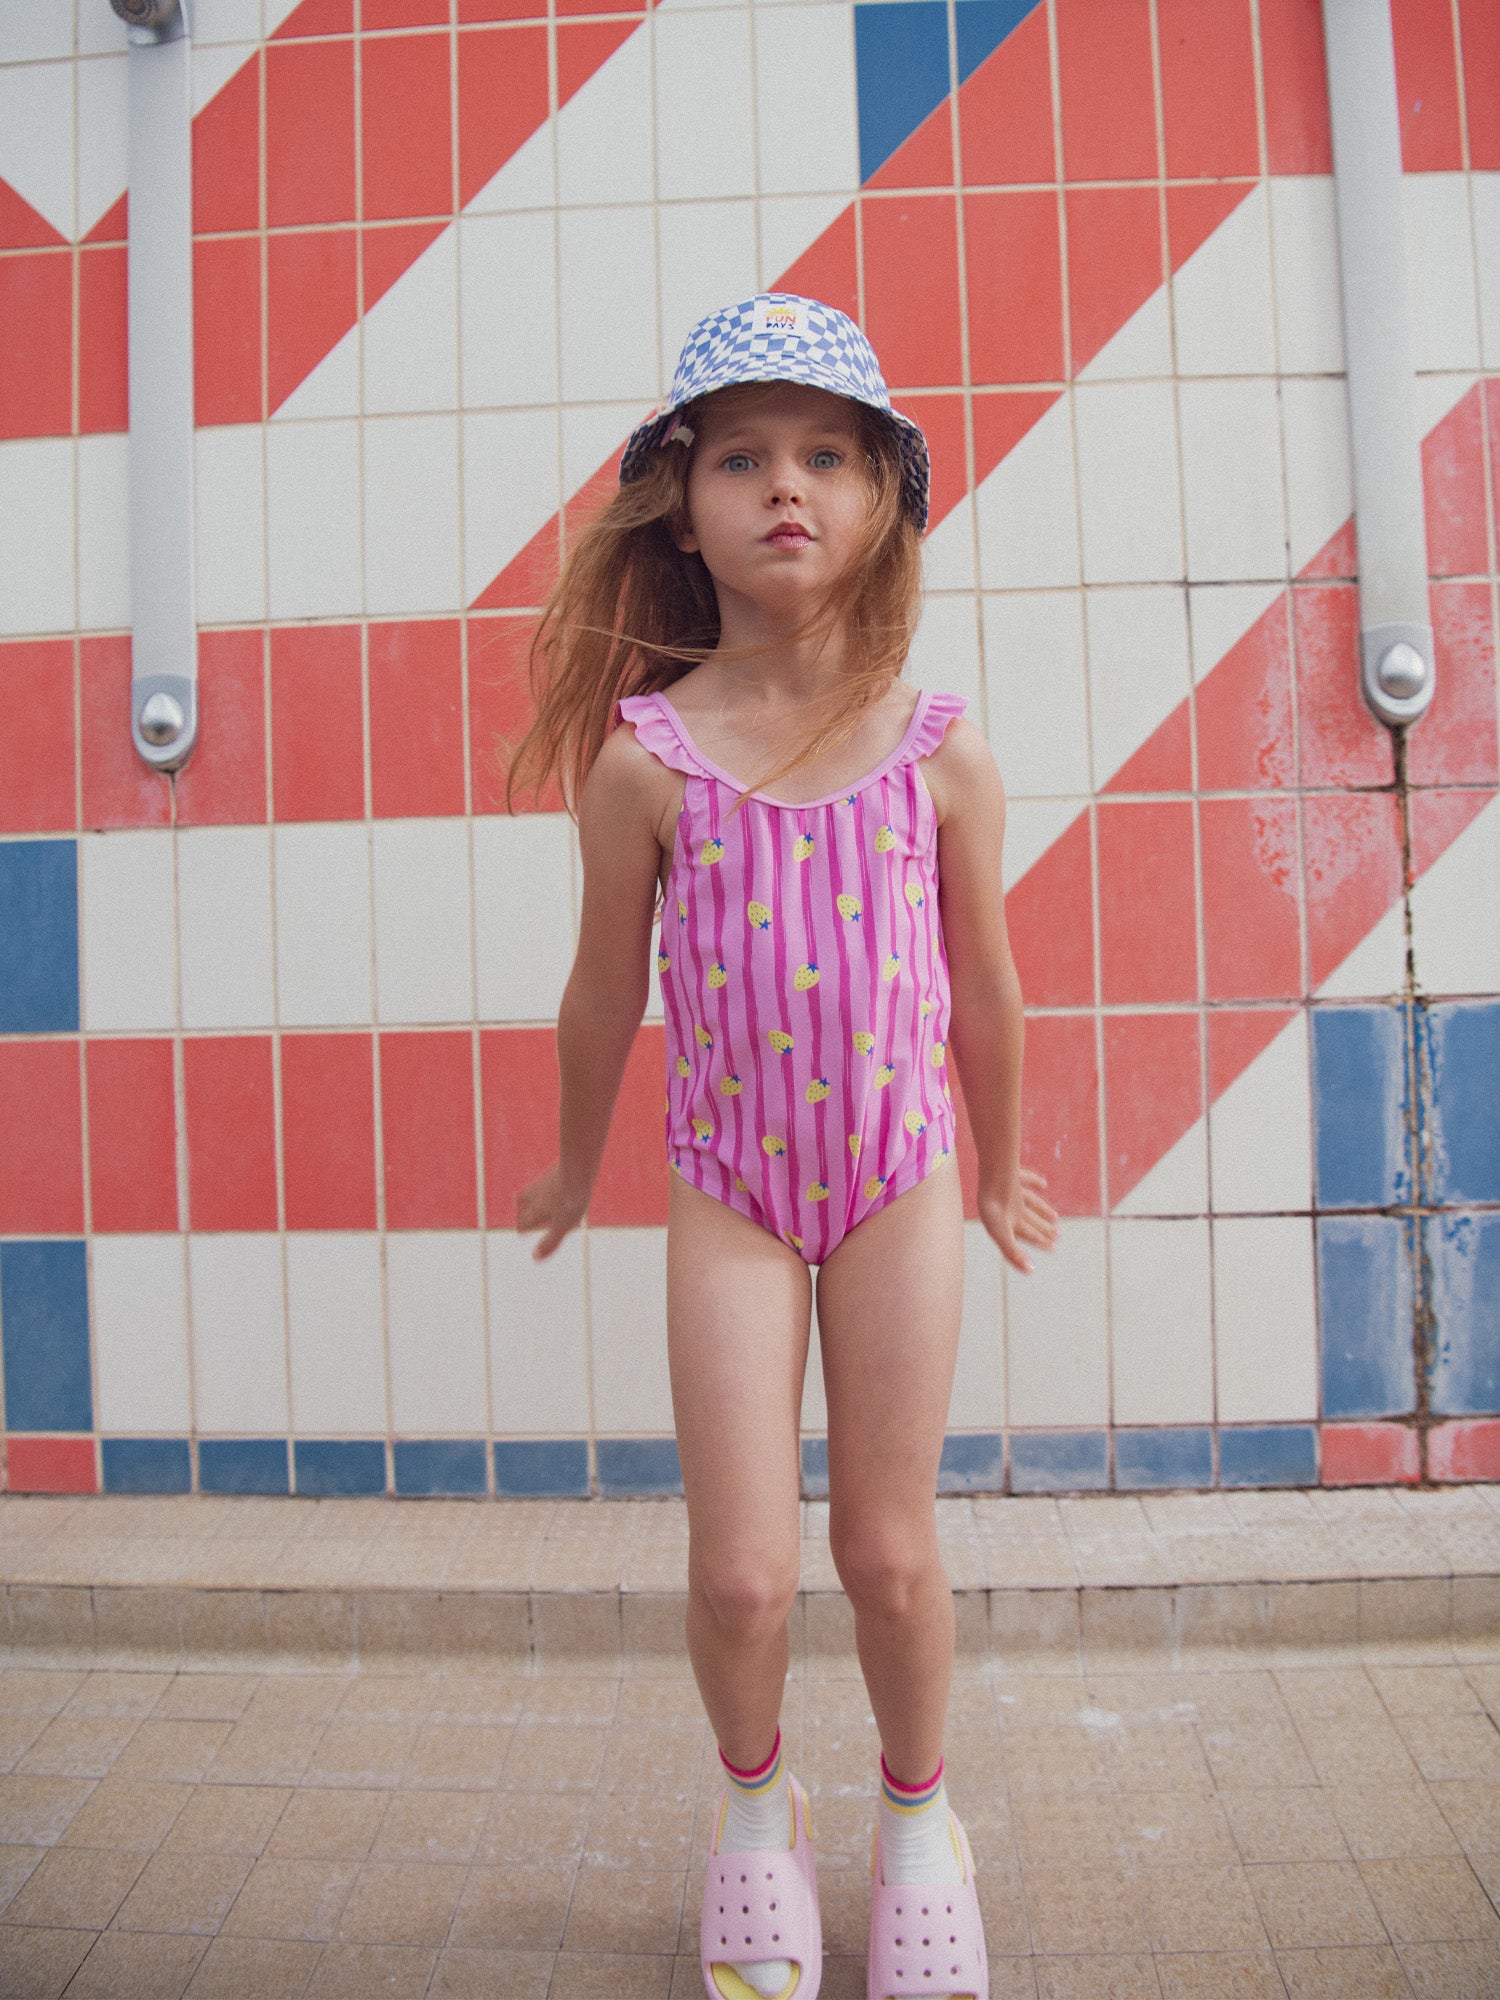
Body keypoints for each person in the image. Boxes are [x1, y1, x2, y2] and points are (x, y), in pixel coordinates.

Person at [511, 294, 1058, 2000]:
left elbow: (987, 985)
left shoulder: (936, 744)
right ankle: (757, 1812)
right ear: (680, 504)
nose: (786, 487)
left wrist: (1001, 1161)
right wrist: (564, 1157)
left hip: (895, 1183)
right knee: (744, 1574)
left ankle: (917, 1825)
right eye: (742, 457)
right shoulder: (646, 762)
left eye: (826, 453)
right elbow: (602, 997)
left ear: (886, 493)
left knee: (887, 1551)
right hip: (730, 1193)